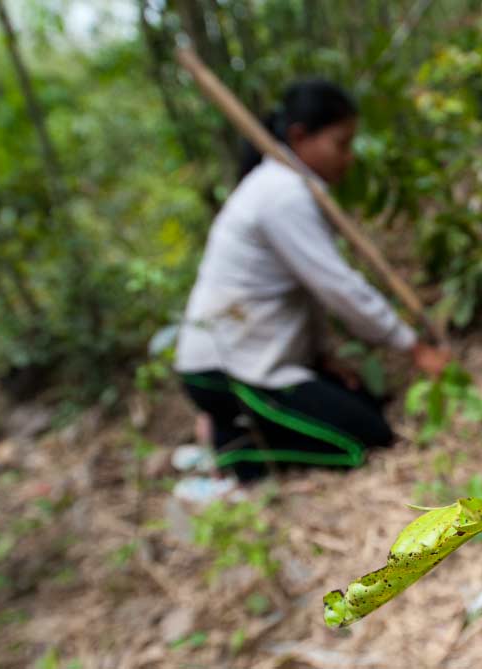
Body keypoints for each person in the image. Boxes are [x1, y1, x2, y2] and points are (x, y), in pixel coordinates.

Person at [174, 79, 448, 481]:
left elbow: (305, 292)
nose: (349, 158)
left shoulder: (288, 187)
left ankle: (238, 425)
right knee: (364, 441)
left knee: (365, 403)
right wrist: (412, 347)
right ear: (300, 137)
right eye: (341, 144)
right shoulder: (281, 194)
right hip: (227, 367)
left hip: (256, 355)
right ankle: (234, 451)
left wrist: (321, 359)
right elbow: (337, 287)